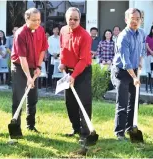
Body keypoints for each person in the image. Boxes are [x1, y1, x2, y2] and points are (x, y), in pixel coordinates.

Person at [59, 7, 93, 151]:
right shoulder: (63, 31)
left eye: (75, 19)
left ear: (80, 19)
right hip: (68, 71)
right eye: (70, 19)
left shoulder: (85, 36)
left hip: (83, 72)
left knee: (83, 102)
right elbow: (63, 48)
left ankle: (86, 133)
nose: (72, 21)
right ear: (66, 19)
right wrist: (63, 62)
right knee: (70, 102)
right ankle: (76, 128)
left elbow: (83, 60)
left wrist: (74, 76)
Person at [11, 8, 48, 133]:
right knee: (18, 97)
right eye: (34, 20)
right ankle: (15, 128)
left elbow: (43, 49)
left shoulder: (41, 30)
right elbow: (22, 58)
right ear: (27, 19)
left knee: (32, 97)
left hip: (34, 66)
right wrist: (28, 77)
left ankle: (30, 125)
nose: (37, 23)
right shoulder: (20, 34)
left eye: (39, 20)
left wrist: (38, 67)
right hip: (19, 67)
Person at [111, 8, 146, 141]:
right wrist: (134, 77)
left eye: (138, 19)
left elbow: (142, 48)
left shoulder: (141, 33)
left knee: (134, 101)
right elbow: (125, 62)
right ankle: (119, 133)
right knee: (123, 102)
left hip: (135, 69)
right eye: (132, 19)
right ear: (126, 20)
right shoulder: (123, 36)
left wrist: (140, 62)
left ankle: (130, 128)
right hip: (122, 72)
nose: (135, 21)